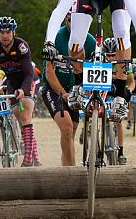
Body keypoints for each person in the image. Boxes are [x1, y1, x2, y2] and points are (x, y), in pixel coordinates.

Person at [0, 16, 42, 167]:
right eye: (1, 32)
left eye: (8, 32)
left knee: (26, 116)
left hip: (27, 80)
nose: (5, 36)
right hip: (11, 82)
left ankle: (29, 159)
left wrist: (23, 90)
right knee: (19, 118)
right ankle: (34, 154)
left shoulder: (21, 46)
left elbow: (29, 74)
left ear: (13, 32)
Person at [40, 14, 95, 166]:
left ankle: (66, 167)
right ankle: (72, 171)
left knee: (71, 133)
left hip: (76, 91)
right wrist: (62, 93)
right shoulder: (56, 38)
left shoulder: (90, 41)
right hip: (55, 89)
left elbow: (94, 71)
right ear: (66, 19)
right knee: (67, 127)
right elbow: (49, 73)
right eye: (72, 20)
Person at [102, 38, 134, 165]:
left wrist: (130, 91)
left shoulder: (124, 62)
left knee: (118, 121)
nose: (110, 58)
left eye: (113, 55)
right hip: (104, 93)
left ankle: (120, 152)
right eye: (108, 55)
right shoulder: (100, 62)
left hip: (117, 94)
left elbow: (131, 82)